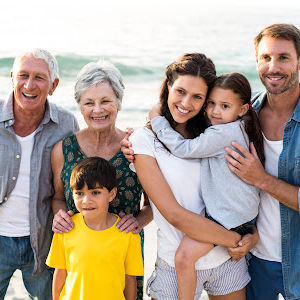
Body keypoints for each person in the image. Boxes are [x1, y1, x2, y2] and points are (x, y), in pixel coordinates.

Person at [127, 53, 248, 300]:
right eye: (180, 91)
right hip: (176, 264)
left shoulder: (215, 134)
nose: (186, 103)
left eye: (197, 97)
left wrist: (252, 235)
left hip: (227, 261)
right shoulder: (144, 140)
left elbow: (241, 191)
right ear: (168, 86)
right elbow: (174, 214)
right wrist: (236, 238)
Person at [148, 72, 264, 300]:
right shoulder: (241, 127)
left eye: (224, 106)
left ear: (242, 109)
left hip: (227, 219)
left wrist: (157, 121)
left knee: (182, 258)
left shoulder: (221, 133)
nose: (214, 111)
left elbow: (184, 149)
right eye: (211, 103)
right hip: (242, 217)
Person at [51, 60, 152, 300]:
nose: (98, 110)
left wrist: (138, 222)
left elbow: (154, 204)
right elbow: (56, 198)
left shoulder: (136, 146)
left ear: (118, 102)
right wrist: (60, 216)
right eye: (89, 103)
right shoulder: (63, 150)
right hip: (80, 254)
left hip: (122, 254)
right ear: (80, 106)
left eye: (105, 101)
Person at [224, 24, 300, 300]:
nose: (273, 67)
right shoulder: (243, 118)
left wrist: (261, 179)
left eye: (283, 58)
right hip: (254, 262)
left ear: (299, 61)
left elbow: (257, 181)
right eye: (266, 58)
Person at [0, 49, 79, 299]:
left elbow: (81, 175)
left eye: (39, 77)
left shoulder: (66, 124)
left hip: (44, 241)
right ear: (12, 77)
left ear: (53, 85)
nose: (29, 85)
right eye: (23, 75)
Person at [46, 157, 144, 300]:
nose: (86, 200)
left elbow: (130, 280)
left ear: (112, 194)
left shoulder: (127, 233)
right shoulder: (66, 228)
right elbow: (60, 273)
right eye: (79, 193)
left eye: (95, 192)